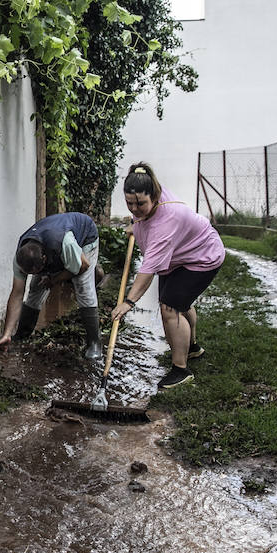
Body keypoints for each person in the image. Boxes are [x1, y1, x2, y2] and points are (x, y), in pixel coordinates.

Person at [111, 163, 225, 390]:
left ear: (154, 196)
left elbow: (147, 272)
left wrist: (128, 302)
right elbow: (143, 220)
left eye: (140, 204)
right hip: (180, 256)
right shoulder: (152, 194)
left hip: (202, 257)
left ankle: (180, 370)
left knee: (170, 307)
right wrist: (136, 223)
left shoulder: (166, 222)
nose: (134, 209)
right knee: (179, 302)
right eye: (129, 203)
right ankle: (192, 348)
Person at [0, 212, 105, 359]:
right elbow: (17, 293)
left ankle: (94, 343)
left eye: (36, 271)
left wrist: (53, 280)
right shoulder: (20, 258)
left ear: (44, 259)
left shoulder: (66, 243)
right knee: (36, 287)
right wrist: (7, 333)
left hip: (85, 238)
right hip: (54, 248)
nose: (30, 274)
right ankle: (21, 335)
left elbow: (82, 266)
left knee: (82, 286)